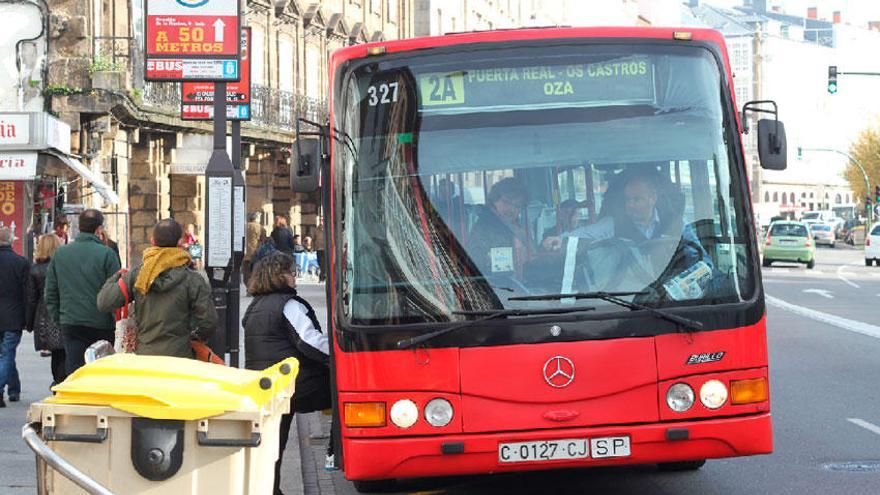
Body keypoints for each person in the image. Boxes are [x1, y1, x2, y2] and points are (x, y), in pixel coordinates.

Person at [242, 252, 334, 493]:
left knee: (273, 446)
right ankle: (336, 451)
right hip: (294, 384)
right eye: (290, 272)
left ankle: (270, 489)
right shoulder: (287, 305)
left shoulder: (254, 307)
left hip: (266, 386)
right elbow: (309, 341)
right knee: (342, 390)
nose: (294, 276)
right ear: (277, 276)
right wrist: (337, 355)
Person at [97, 219, 217, 358]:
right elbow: (209, 321)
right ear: (179, 242)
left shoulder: (138, 275)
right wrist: (195, 337)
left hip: (145, 357)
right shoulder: (193, 279)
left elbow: (104, 302)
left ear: (153, 241)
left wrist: (117, 277)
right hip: (180, 357)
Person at [45, 209, 121, 375]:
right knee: (101, 371)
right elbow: (116, 291)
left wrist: (60, 318)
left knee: (74, 369)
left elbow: (50, 292)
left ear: (79, 227)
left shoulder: (61, 254)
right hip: (101, 322)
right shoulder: (107, 254)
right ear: (99, 229)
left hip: (71, 321)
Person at [468, 177, 533, 277]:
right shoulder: (483, 228)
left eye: (517, 206)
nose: (511, 209)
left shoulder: (519, 227)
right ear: (494, 201)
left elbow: (533, 255)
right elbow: (474, 261)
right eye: (506, 202)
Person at [26, 233, 67, 385]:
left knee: (56, 351)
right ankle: (60, 380)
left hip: (43, 315)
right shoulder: (64, 267)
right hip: (64, 312)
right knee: (63, 351)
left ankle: (57, 380)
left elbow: (31, 299)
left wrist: (28, 323)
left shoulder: (35, 270)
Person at [0, 227, 29, 407]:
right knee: (7, 354)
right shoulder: (21, 263)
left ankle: (14, 389)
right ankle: (5, 388)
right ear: (11, 241)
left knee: (5, 355)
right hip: (13, 316)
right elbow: (27, 293)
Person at [244, 212, 265, 284]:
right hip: (256, 253)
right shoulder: (260, 227)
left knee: (246, 271)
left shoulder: (245, 226)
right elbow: (263, 240)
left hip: (245, 253)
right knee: (255, 271)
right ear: (257, 218)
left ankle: (248, 286)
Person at [314, 217, 326, 282]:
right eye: (320, 220)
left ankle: (322, 277)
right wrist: (313, 247)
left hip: (325, 249)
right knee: (319, 263)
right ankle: (323, 275)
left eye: (322, 220)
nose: (321, 222)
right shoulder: (316, 230)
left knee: (323, 263)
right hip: (318, 249)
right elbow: (314, 239)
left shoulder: (326, 229)